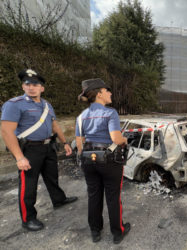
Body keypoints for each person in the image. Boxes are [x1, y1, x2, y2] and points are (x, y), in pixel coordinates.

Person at [0, 69, 78, 231]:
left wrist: (65, 143)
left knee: (52, 177)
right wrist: (19, 157)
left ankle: (59, 200)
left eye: (35, 84)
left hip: (48, 147)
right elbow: (7, 131)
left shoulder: (47, 105)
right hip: (29, 150)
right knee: (28, 184)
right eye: (28, 84)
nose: (31, 87)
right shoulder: (14, 104)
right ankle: (28, 219)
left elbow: (55, 125)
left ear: (42, 88)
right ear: (23, 86)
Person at [75, 78, 130, 244]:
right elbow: (115, 138)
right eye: (107, 90)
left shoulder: (81, 116)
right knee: (113, 196)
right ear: (99, 93)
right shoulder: (110, 112)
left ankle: (95, 231)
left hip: (88, 160)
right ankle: (117, 232)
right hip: (109, 161)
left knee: (94, 195)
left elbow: (79, 144)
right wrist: (124, 140)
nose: (110, 93)